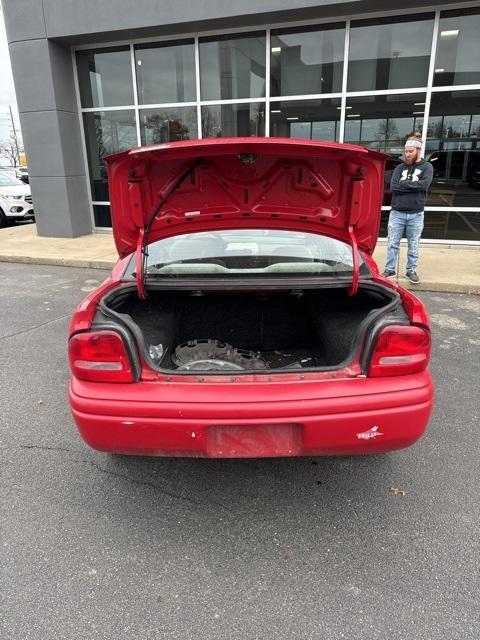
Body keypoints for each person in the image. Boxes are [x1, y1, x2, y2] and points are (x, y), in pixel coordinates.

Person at [382, 134, 433, 283]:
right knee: (392, 242)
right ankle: (390, 269)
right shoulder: (399, 167)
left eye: (410, 151)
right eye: (406, 151)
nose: (407, 154)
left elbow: (424, 185)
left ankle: (411, 270)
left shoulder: (427, 167)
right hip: (396, 213)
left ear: (418, 150)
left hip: (416, 214)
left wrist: (404, 185)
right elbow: (393, 187)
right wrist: (413, 187)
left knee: (414, 244)